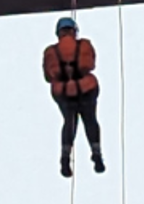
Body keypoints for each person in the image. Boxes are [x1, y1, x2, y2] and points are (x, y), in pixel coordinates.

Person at [43, 16, 103, 178]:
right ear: (74, 31)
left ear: (58, 33)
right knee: (90, 119)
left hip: (63, 91)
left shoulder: (51, 52)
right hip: (86, 88)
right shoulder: (84, 45)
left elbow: (48, 76)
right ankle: (96, 152)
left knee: (69, 122)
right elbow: (90, 64)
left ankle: (65, 158)